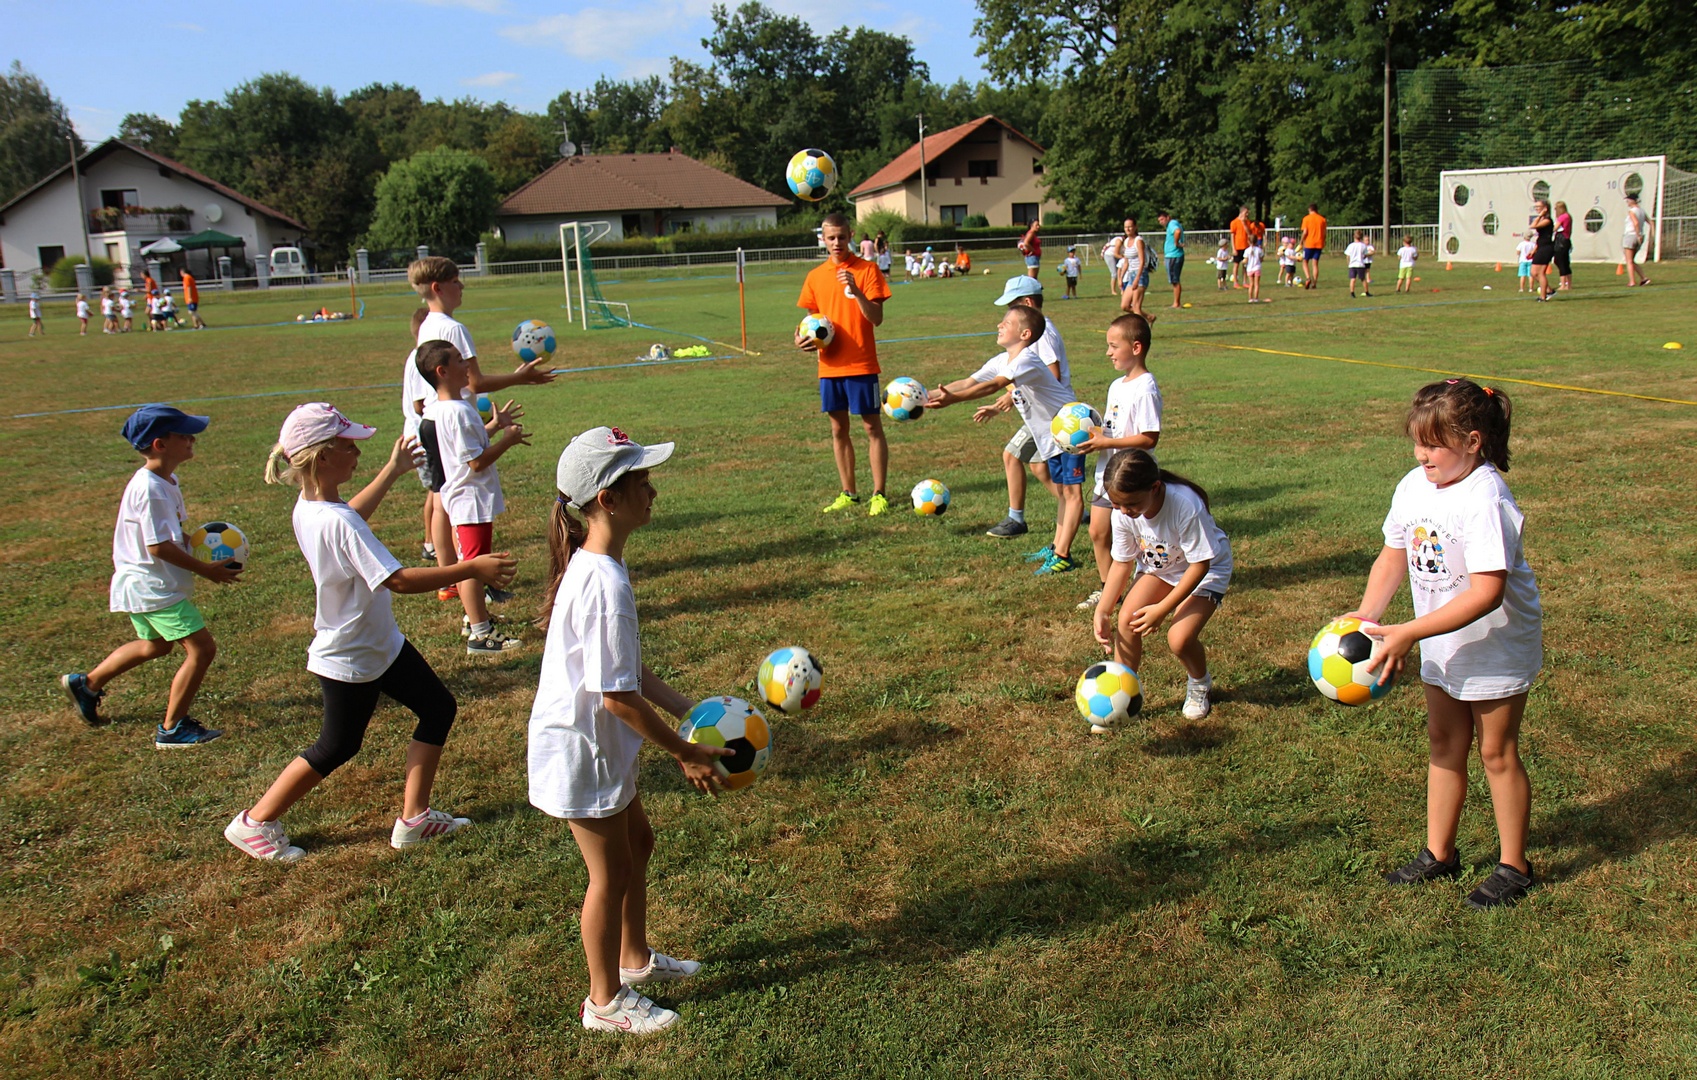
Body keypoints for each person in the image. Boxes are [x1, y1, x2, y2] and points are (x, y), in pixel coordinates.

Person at [226, 403, 516, 864]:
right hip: (352, 652)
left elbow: (351, 516)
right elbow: (397, 580)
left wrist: (392, 471)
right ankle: (255, 821)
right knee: (337, 745)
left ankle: (414, 819)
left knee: (438, 707)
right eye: (349, 445)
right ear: (323, 456)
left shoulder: (312, 507)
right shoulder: (335, 520)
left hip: (380, 643)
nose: (357, 452)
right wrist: (470, 568)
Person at [529, 426, 732, 1035]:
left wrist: (687, 707)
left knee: (638, 845)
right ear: (608, 501)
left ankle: (635, 959)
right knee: (609, 875)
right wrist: (685, 751)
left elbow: (628, 671)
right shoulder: (604, 583)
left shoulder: (600, 565)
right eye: (641, 480)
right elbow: (616, 698)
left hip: (601, 743)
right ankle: (604, 1002)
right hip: (582, 749)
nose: (653, 490)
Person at [1348, 378, 1542, 909]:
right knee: (1444, 742)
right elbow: (1394, 554)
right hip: (1440, 637)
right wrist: (1368, 616)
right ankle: (1440, 852)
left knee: (1496, 752)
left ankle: (1515, 866)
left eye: (1433, 444)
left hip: (1495, 643)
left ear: (1473, 442)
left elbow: (1486, 592)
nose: (1421, 454)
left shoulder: (1486, 498)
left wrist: (1409, 632)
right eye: (1417, 442)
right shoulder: (1414, 486)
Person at [58, 405, 239, 746]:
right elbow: (158, 547)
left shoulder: (167, 480)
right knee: (202, 649)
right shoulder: (151, 489)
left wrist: (202, 547)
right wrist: (205, 570)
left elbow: (173, 534)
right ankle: (173, 729)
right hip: (153, 587)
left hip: (143, 584)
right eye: (185, 435)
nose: (192, 439)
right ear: (160, 444)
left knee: (154, 645)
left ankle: (87, 684)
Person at [410, 255, 558, 601]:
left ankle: (450, 577)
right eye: (456, 281)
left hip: (434, 419)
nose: (462, 286)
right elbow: (474, 383)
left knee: (442, 500)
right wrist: (521, 378)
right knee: (456, 502)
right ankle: (465, 584)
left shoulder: (426, 324)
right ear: (438, 287)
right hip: (453, 418)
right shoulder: (453, 329)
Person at [928, 304, 1084, 576]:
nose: (999, 325)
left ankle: (1063, 556)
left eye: (1007, 322)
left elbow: (993, 386)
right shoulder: (1003, 360)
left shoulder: (1026, 359)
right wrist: (922, 395)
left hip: (1071, 427)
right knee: (1062, 492)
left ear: (1025, 334)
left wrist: (953, 400)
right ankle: (1056, 547)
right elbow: (967, 382)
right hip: (1052, 433)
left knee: (1072, 494)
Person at [1093, 449, 1230, 723]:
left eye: (1131, 504)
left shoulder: (1184, 504)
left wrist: (1162, 609)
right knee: (1127, 621)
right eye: (1116, 505)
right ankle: (1122, 699)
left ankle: (1200, 683)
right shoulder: (1122, 511)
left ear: (1154, 488)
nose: (1124, 511)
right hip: (1162, 568)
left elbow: (1200, 565)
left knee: (1179, 639)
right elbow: (1122, 563)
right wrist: (1103, 610)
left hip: (1206, 569)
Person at [419, 340, 530, 654]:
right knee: (473, 566)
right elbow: (476, 462)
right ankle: (481, 635)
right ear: (442, 371)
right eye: (458, 360)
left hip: (464, 497)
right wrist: (508, 440)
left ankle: (474, 618)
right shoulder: (457, 412)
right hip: (469, 499)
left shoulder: (441, 409)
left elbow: (463, 447)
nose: (467, 364)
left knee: (472, 562)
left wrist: (493, 426)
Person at [795, 212, 893, 515]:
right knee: (838, 429)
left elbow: (876, 318)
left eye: (841, 236)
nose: (836, 242)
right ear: (823, 239)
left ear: (851, 236)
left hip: (862, 364)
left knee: (871, 427)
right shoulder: (815, 276)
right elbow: (810, 322)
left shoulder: (868, 270)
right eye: (831, 237)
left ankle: (879, 493)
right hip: (829, 367)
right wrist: (799, 338)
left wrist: (856, 290)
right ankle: (848, 492)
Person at [1075, 313, 1162, 613]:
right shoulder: (1116, 385)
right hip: (1107, 473)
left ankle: (1153, 582)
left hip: (1132, 476)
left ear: (1136, 348)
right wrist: (1091, 440)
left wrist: (1107, 443)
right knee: (1098, 532)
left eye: (1114, 346)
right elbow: (1113, 428)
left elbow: (1149, 438)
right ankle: (1108, 589)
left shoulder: (1145, 387)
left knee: (1141, 539)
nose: (1108, 352)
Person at [983, 276, 1074, 542]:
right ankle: (1075, 512)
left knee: (1011, 455)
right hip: (1044, 412)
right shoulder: (1039, 331)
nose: (1007, 313)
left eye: (1012, 306)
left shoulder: (1041, 336)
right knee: (1038, 467)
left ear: (1027, 303)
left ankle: (1016, 519)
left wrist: (1011, 395)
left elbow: (1052, 374)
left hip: (1052, 414)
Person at [1117, 219, 1152, 319]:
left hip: (1140, 275)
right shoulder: (1126, 241)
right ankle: (1149, 317)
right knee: (1125, 306)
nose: (1127, 229)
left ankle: (1140, 328)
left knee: (1136, 307)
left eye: (1130, 226)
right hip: (1131, 275)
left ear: (1135, 227)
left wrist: (1137, 278)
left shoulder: (1138, 241)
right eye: (1125, 227)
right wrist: (1121, 278)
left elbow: (1142, 262)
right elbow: (1126, 263)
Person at [1157, 210, 1185, 308]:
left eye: (1162, 219)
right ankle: (1176, 302)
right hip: (1171, 256)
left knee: (1175, 280)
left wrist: (1176, 243)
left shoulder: (1172, 223)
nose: (1161, 222)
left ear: (1168, 217)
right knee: (1174, 280)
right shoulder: (1171, 224)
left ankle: (1176, 303)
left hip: (1174, 255)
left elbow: (1177, 231)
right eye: (1159, 221)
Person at [1528, 200, 1555, 302]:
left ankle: (1543, 297)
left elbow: (1533, 226)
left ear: (1545, 208)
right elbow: (1540, 236)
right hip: (1541, 246)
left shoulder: (1547, 220)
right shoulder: (1542, 219)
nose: (1537, 209)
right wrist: (1534, 250)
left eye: (1538, 207)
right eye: (1536, 207)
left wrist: (1540, 215)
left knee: (1540, 273)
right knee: (1533, 273)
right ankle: (1549, 290)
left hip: (1546, 248)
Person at [1621, 194, 1650, 287]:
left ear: (1633, 201)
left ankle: (1632, 281)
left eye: (1628, 200)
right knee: (1632, 260)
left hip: (1631, 235)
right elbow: (1651, 222)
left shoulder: (1632, 211)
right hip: (1639, 236)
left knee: (1629, 261)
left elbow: (1636, 223)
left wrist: (1638, 234)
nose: (1627, 202)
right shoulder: (1642, 211)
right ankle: (1644, 278)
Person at [1300, 203, 1327, 288]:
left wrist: (1301, 241)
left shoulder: (1306, 218)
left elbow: (1305, 232)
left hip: (1309, 243)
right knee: (1315, 263)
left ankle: (1308, 278)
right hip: (1319, 243)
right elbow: (1324, 233)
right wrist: (1324, 241)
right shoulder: (1322, 219)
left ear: (1309, 209)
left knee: (1305, 261)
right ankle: (1314, 283)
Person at [1552, 201, 1574, 291]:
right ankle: (1568, 284)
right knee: (1565, 262)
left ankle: (1563, 284)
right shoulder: (1568, 216)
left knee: (1560, 261)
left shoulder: (1562, 217)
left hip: (1561, 240)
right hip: (1566, 240)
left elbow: (1555, 228)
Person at [1228, 207, 1251, 288]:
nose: (1247, 214)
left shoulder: (1247, 222)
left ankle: (1245, 281)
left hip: (1246, 246)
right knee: (1236, 265)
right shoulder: (1234, 222)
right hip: (1237, 246)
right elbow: (1232, 236)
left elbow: (1249, 233)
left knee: (1245, 265)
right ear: (1241, 213)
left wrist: (1244, 223)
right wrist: (1233, 248)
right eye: (1246, 213)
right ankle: (1235, 282)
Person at [1345, 231, 1371, 298]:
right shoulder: (1363, 245)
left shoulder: (1351, 245)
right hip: (1360, 264)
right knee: (1363, 279)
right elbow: (1365, 255)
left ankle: (1352, 293)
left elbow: (1348, 256)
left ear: (1354, 236)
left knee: (1353, 279)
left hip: (1352, 265)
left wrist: (1348, 263)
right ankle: (1367, 292)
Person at [1243, 234, 1264, 303]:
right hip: (1257, 268)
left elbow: (1245, 260)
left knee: (1251, 284)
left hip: (1249, 269)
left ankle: (1250, 298)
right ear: (1256, 241)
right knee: (1256, 284)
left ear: (1248, 241)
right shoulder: (1259, 250)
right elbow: (1261, 259)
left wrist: (1243, 262)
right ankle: (1256, 298)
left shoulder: (1247, 250)